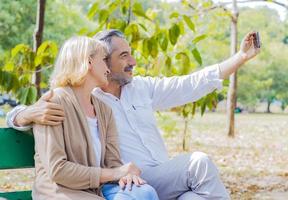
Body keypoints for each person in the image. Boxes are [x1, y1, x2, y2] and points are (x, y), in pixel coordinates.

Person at [7, 30, 260, 200]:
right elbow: (33, 112)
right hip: (125, 182)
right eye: (123, 55)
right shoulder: (81, 97)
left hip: (154, 176)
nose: (133, 61)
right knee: (199, 163)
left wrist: (240, 57)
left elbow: (191, 84)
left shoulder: (140, 89)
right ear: (100, 61)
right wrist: (23, 114)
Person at [29, 36, 159, 200]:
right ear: (89, 63)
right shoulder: (54, 104)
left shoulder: (104, 110)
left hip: (95, 190)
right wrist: (116, 172)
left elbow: (113, 162)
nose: (108, 68)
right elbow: (58, 170)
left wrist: (125, 174)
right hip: (61, 192)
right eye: (104, 60)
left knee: (145, 192)